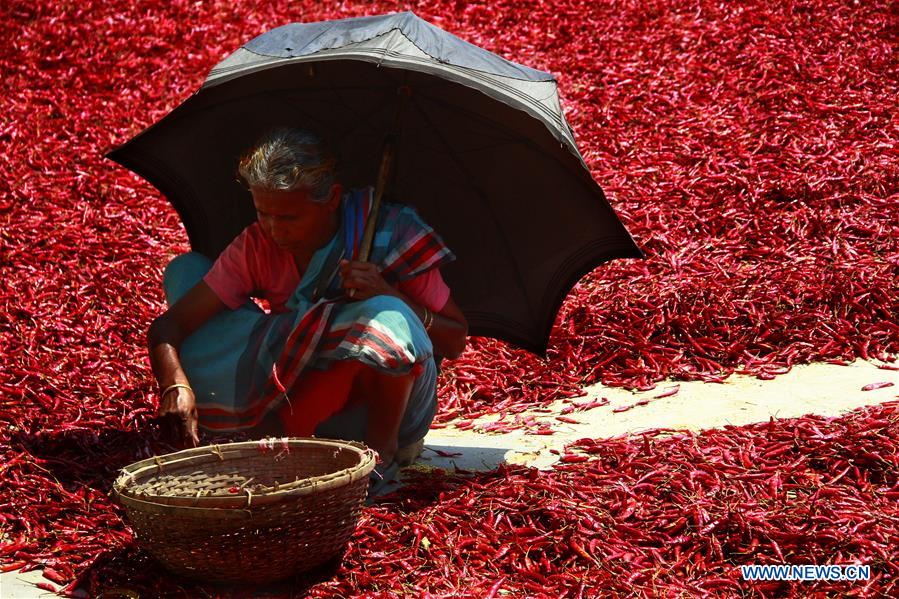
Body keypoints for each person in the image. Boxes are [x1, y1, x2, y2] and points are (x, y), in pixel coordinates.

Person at [147, 127, 468, 473]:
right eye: (263, 213)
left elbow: (454, 341)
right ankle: (278, 423)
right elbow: (170, 325)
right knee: (186, 271)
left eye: (289, 217)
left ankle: (382, 451)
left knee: (384, 315)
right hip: (296, 393)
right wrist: (174, 385)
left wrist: (389, 294)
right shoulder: (259, 245)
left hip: (380, 409)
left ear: (332, 199)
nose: (274, 230)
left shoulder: (392, 234)